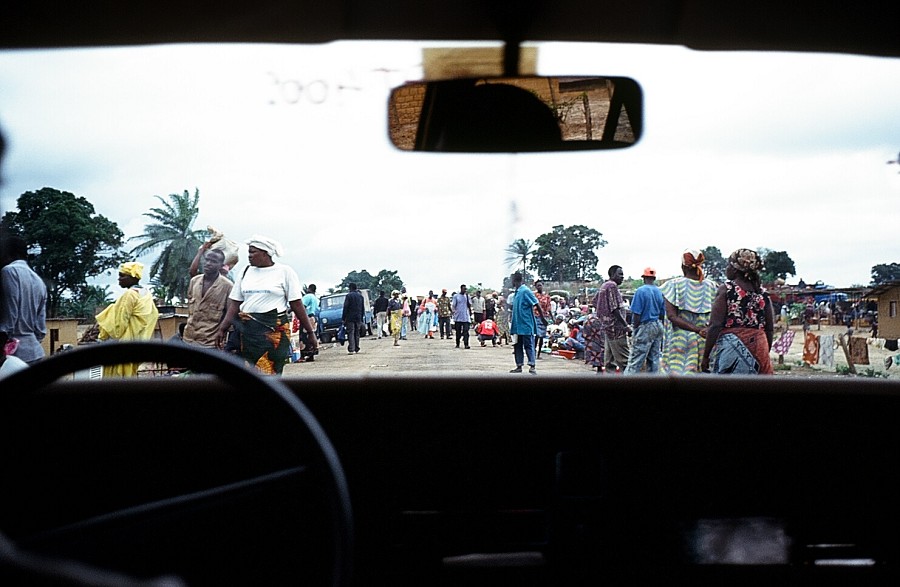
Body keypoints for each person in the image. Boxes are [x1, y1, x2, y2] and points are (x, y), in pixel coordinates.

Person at [215, 236, 317, 375]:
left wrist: (310, 332)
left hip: (274, 332)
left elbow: (296, 304)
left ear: (265, 253)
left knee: (271, 373)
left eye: (252, 252)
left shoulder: (284, 272)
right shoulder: (245, 272)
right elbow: (235, 304)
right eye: (248, 252)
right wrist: (223, 328)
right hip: (248, 333)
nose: (249, 256)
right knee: (249, 373)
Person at [701, 248, 775, 375]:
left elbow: (715, 325)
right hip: (760, 346)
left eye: (728, 265)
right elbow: (770, 328)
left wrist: (706, 355)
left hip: (732, 346)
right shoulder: (763, 294)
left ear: (735, 269)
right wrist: (763, 352)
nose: (726, 269)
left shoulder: (727, 290)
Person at [95, 261, 160, 377]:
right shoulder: (146, 293)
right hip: (138, 344)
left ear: (132, 277)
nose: (119, 279)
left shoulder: (130, 294)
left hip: (123, 345)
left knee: (116, 379)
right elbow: (153, 315)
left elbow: (119, 324)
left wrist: (104, 334)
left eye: (122, 276)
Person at [659, 249, 719, 374]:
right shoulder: (712, 286)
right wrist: (703, 330)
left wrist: (696, 330)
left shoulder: (673, 286)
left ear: (683, 266)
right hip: (705, 341)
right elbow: (717, 317)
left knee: (678, 378)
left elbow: (672, 316)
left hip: (679, 341)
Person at [0, 235, 48, 364]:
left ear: (9, 254)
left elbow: (9, 318)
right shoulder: (38, 281)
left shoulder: (8, 272)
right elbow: (40, 329)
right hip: (35, 353)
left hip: (13, 357)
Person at [182, 248, 233, 348]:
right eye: (207, 260)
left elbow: (229, 316)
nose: (208, 263)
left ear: (221, 266)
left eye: (214, 261)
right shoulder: (194, 282)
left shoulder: (228, 287)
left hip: (210, 343)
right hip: (188, 339)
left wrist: (222, 334)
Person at [624, 267, 666, 374]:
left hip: (645, 325)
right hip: (657, 325)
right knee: (654, 358)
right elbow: (662, 313)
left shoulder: (640, 291)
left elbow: (637, 313)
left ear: (644, 278)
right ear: (654, 278)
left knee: (636, 359)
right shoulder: (659, 292)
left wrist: (635, 329)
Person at [594, 265, 631, 373]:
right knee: (625, 360)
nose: (622, 277)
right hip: (616, 329)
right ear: (612, 274)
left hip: (608, 328)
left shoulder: (604, 286)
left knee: (610, 362)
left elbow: (595, 302)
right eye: (620, 274)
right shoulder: (612, 286)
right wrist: (626, 325)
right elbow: (615, 309)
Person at [509, 271, 548, 374]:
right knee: (517, 345)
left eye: (512, 280)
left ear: (516, 280)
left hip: (526, 324)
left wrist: (542, 318)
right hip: (517, 325)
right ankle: (519, 366)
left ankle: (532, 365)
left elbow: (537, 304)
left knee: (529, 345)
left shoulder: (525, 291)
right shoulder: (516, 292)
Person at [342, 283, 365, 354]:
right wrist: (361, 317)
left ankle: (351, 349)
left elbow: (346, 307)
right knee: (357, 333)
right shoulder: (360, 296)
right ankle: (357, 348)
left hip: (350, 317)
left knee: (351, 332)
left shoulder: (348, 296)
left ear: (350, 288)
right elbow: (362, 308)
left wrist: (343, 317)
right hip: (358, 317)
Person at [533, 281, 552, 359]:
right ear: (535, 287)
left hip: (544, 317)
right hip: (536, 316)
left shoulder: (547, 297)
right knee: (537, 335)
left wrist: (552, 317)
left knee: (542, 336)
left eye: (540, 285)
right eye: (538, 286)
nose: (539, 287)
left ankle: (539, 354)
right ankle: (533, 353)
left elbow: (549, 308)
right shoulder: (534, 295)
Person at [451, 284, 472, 349]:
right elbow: (454, 305)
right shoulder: (456, 296)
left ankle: (466, 344)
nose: (464, 290)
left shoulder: (467, 296)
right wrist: (453, 313)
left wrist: (467, 297)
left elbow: (469, 305)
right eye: (464, 289)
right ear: (461, 289)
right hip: (458, 316)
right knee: (458, 331)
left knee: (466, 331)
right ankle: (457, 343)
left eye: (465, 289)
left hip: (465, 316)